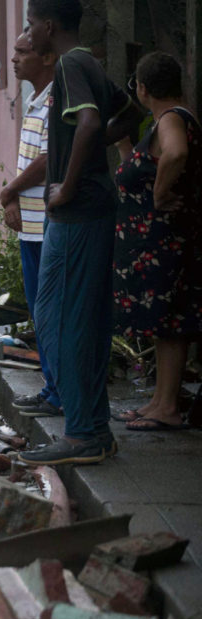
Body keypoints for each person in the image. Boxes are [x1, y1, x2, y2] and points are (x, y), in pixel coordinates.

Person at [18, 0, 141, 466]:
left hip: (78, 212)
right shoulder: (87, 59)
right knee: (77, 320)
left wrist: (67, 187)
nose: (28, 36)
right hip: (89, 209)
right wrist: (88, 159)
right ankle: (94, 429)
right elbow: (129, 114)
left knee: (59, 319)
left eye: (30, 26)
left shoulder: (70, 63)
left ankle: (83, 434)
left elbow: (90, 121)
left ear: (49, 26)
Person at [111, 52, 202, 431]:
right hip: (162, 243)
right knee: (167, 325)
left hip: (167, 242)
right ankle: (159, 401)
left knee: (172, 323)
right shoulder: (172, 118)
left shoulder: (171, 119)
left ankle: (166, 406)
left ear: (144, 89)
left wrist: (160, 194)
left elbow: (176, 153)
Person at [0, 31, 61, 419]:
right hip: (31, 224)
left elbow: (46, 160)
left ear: (46, 58)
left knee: (49, 310)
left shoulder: (55, 99)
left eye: (23, 52)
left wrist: (9, 192)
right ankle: (52, 387)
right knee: (41, 311)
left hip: (45, 225)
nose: (14, 59)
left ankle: (57, 392)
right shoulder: (35, 99)